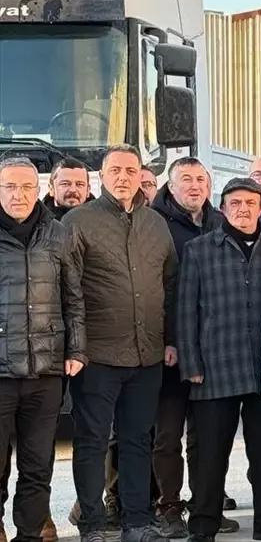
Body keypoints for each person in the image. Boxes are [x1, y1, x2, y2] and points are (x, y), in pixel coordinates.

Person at [63, 145, 176, 542]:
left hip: (147, 356)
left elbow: (170, 286)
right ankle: (92, 524)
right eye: (116, 170)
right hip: (98, 356)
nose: (124, 177)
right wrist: (76, 348)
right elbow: (68, 290)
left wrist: (170, 340)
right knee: (92, 442)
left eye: (131, 170)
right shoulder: (78, 222)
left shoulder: (156, 224)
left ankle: (137, 522)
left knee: (137, 441)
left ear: (141, 175)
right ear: (102, 176)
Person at [174, 178, 261, 542]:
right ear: (223, 207)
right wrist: (191, 364)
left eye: (250, 203)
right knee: (210, 455)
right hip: (216, 366)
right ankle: (203, 526)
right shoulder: (199, 250)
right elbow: (185, 309)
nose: (243, 209)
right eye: (235, 203)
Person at [0, 157, 85, 542]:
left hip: (46, 370)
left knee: (37, 466)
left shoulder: (58, 234)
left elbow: (74, 297)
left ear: (39, 190)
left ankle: (30, 534)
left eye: (25, 187)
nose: (18, 195)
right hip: (1, 370)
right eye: (9, 187)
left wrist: (76, 350)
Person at [149, 158, 227, 538]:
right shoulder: (155, 223)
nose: (194, 186)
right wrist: (169, 339)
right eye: (186, 179)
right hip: (171, 349)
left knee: (205, 437)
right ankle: (168, 506)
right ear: (171, 185)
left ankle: (204, 505)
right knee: (167, 435)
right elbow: (157, 288)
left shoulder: (219, 222)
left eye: (201, 180)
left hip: (210, 350)